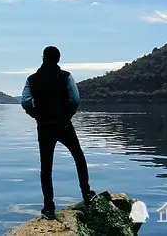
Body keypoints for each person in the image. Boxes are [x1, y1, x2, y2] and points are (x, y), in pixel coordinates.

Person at [21, 46, 97, 220]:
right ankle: (86, 193)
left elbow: (25, 101)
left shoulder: (32, 79)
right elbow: (75, 99)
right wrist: (66, 115)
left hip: (44, 127)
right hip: (64, 125)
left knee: (46, 169)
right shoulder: (66, 76)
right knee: (78, 156)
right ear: (58, 59)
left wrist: (36, 115)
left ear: (43, 58)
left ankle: (48, 208)